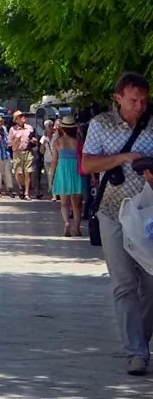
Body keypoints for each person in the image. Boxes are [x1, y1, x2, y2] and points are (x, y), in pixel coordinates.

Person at [84, 73, 153, 375]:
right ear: (119, 98)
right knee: (124, 284)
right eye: (133, 100)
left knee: (151, 285)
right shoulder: (100, 125)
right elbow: (87, 164)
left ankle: (141, 339)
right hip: (112, 211)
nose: (139, 105)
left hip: (148, 213)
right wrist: (124, 157)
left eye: (144, 100)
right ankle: (136, 351)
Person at [53, 116, 87, 238]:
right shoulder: (78, 141)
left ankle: (67, 223)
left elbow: (54, 161)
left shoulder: (57, 142)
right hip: (76, 170)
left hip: (62, 170)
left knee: (64, 203)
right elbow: (84, 158)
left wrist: (52, 176)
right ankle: (77, 228)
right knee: (77, 204)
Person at [10, 111, 37, 199]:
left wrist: (34, 140)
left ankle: (26, 193)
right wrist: (15, 140)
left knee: (28, 172)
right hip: (17, 152)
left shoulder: (29, 128)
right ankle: (21, 187)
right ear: (16, 120)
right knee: (18, 173)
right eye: (20, 116)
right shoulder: (13, 129)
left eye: (23, 116)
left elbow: (34, 138)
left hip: (27, 152)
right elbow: (8, 144)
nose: (23, 117)